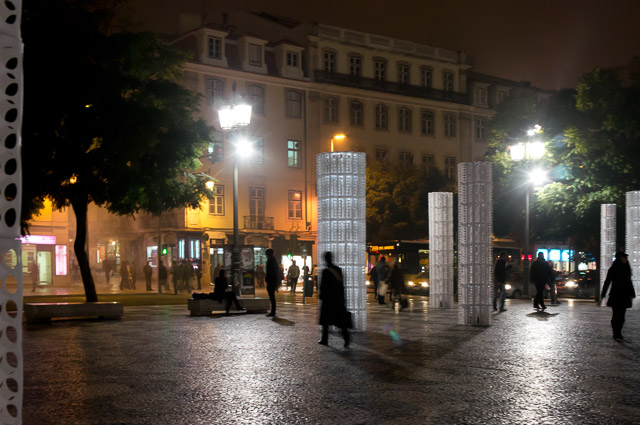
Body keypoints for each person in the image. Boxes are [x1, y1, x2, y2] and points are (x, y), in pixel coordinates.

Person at [601, 251, 636, 341]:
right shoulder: (613, 269)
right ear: (620, 258)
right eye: (624, 258)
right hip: (616, 295)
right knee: (616, 315)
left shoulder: (626, 268)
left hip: (624, 295)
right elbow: (607, 282)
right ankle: (616, 334)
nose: (626, 259)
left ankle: (619, 333)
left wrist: (632, 293)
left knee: (622, 317)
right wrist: (603, 294)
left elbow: (629, 282)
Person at [318, 251, 351, 347]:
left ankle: (325, 339)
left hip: (328, 300)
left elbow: (323, 287)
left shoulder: (325, 271)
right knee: (340, 321)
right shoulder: (338, 270)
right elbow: (341, 286)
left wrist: (321, 296)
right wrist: (343, 299)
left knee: (326, 321)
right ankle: (346, 338)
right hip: (337, 299)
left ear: (325, 259)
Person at [265, 248, 279, 317]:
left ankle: (273, 312)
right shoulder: (273, 260)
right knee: (272, 297)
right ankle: (273, 311)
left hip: (271, 281)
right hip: (272, 281)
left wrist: (268, 279)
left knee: (272, 297)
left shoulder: (271, 260)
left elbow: (270, 272)